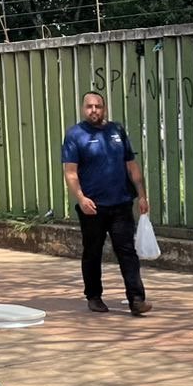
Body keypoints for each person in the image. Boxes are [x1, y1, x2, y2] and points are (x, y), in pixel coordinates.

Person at [61, 90, 152, 316]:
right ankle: (93, 296)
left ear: (104, 108)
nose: (94, 110)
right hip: (93, 207)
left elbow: (131, 165)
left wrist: (141, 194)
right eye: (89, 106)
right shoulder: (75, 135)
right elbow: (70, 172)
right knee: (92, 252)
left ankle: (136, 299)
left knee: (127, 252)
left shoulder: (117, 131)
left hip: (120, 203)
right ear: (84, 109)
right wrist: (81, 198)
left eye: (98, 106)